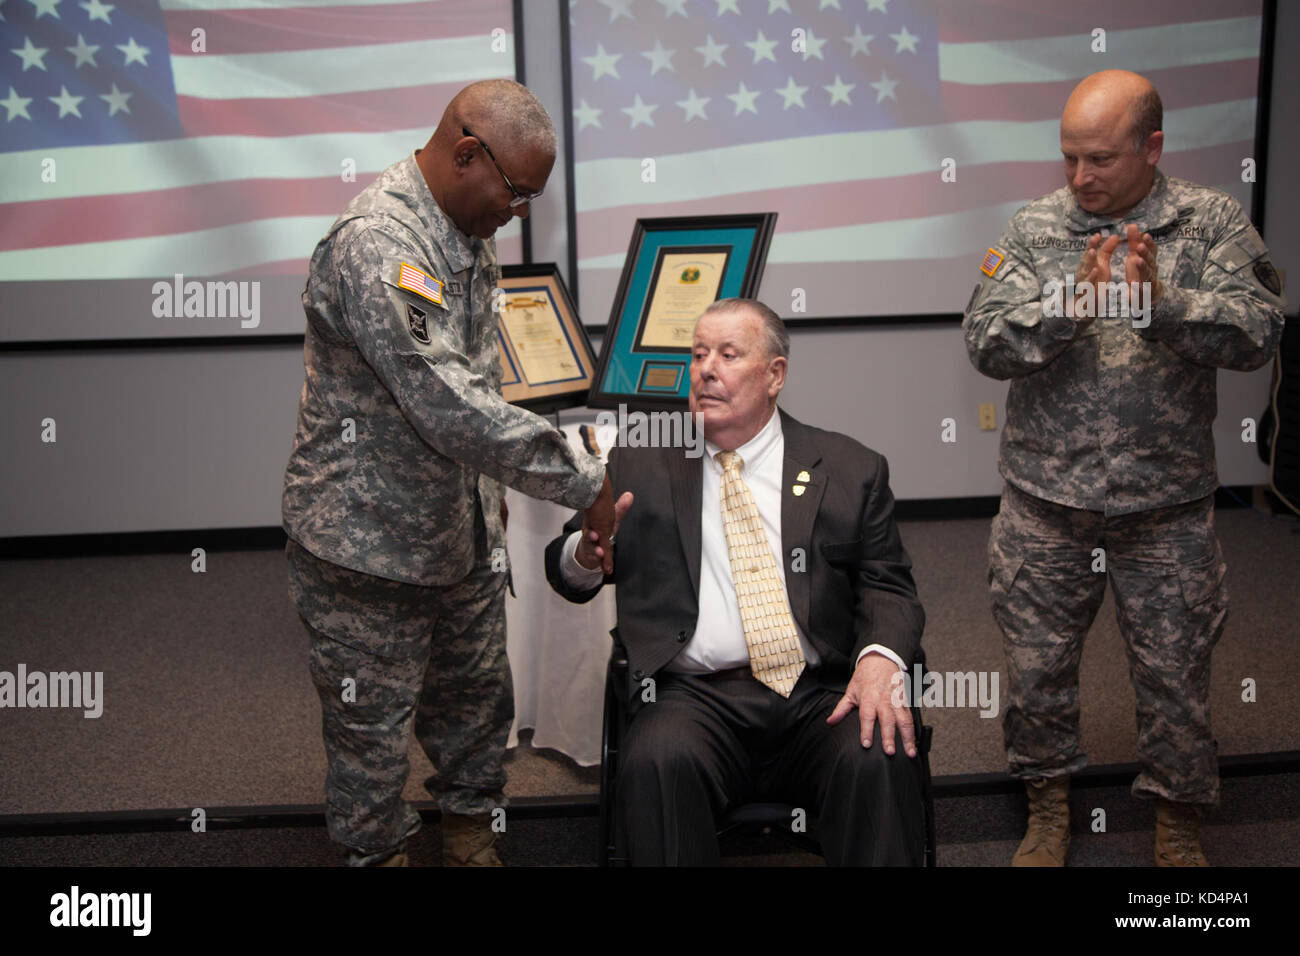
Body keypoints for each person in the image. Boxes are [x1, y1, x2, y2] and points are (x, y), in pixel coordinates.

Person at [282, 79, 615, 867]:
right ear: (468, 152)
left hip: (459, 531)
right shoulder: (378, 242)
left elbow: (479, 375)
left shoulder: (467, 225)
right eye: (518, 191)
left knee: (474, 715)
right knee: (370, 744)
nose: (518, 212)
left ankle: (472, 841)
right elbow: (447, 400)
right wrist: (584, 477)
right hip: (365, 547)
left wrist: (494, 503)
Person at [963, 70, 1285, 867]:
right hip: (1046, 504)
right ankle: (1046, 808)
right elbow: (983, 341)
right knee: (1038, 671)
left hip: (1166, 508)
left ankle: (1178, 821)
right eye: (1069, 157)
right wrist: (1072, 302)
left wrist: (1165, 304)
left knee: (1176, 675)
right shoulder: (1035, 228)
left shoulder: (1210, 223)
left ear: (1153, 146)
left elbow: (1259, 333)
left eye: (1101, 158)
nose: (1081, 178)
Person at [545, 298, 927, 865]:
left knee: (880, 747)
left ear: (775, 375)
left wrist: (880, 660)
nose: (706, 369)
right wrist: (586, 551)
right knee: (657, 760)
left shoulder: (849, 467)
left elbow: (888, 584)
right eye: (698, 354)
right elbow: (569, 572)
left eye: (727, 354)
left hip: (821, 693)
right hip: (691, 698)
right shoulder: (641, 461)